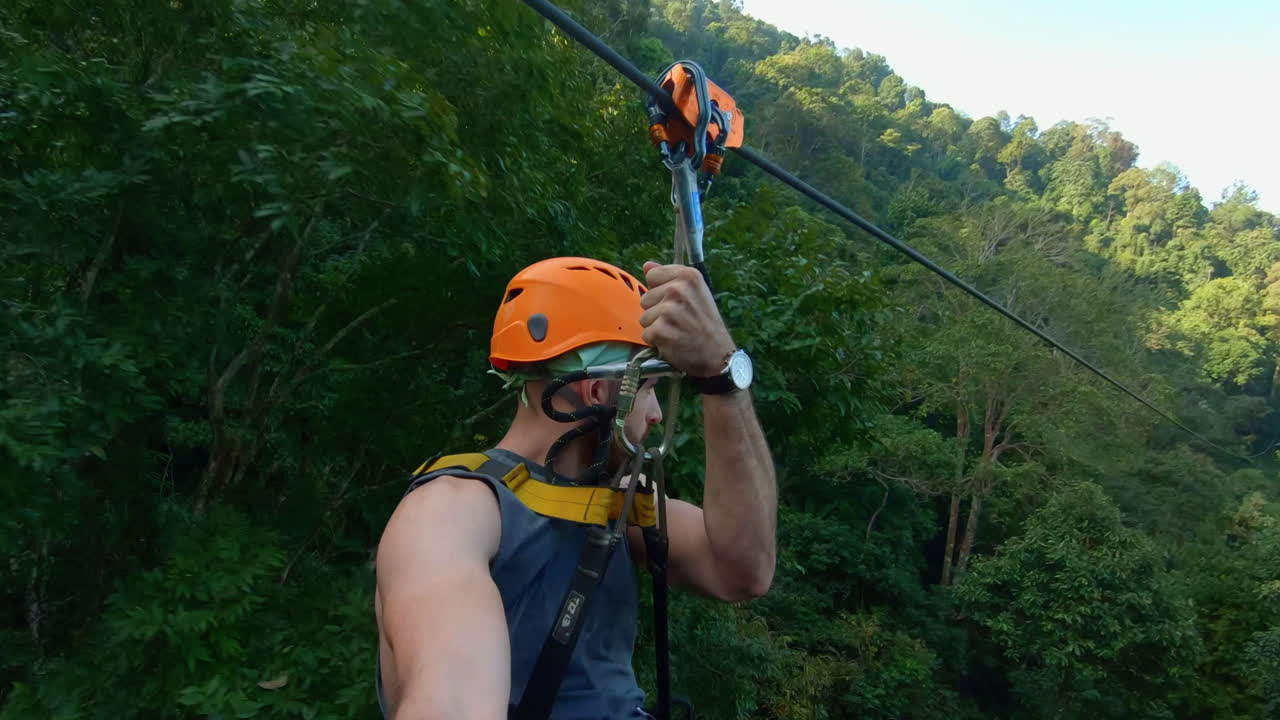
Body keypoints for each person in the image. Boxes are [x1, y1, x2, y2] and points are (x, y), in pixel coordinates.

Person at [374, 256, 777, 719]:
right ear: (599, 393)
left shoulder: (612, 505)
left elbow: (744, 571)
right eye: (648, 389)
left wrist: (723, 380)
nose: (656, 415)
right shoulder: (450, 512)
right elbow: (452, 704)